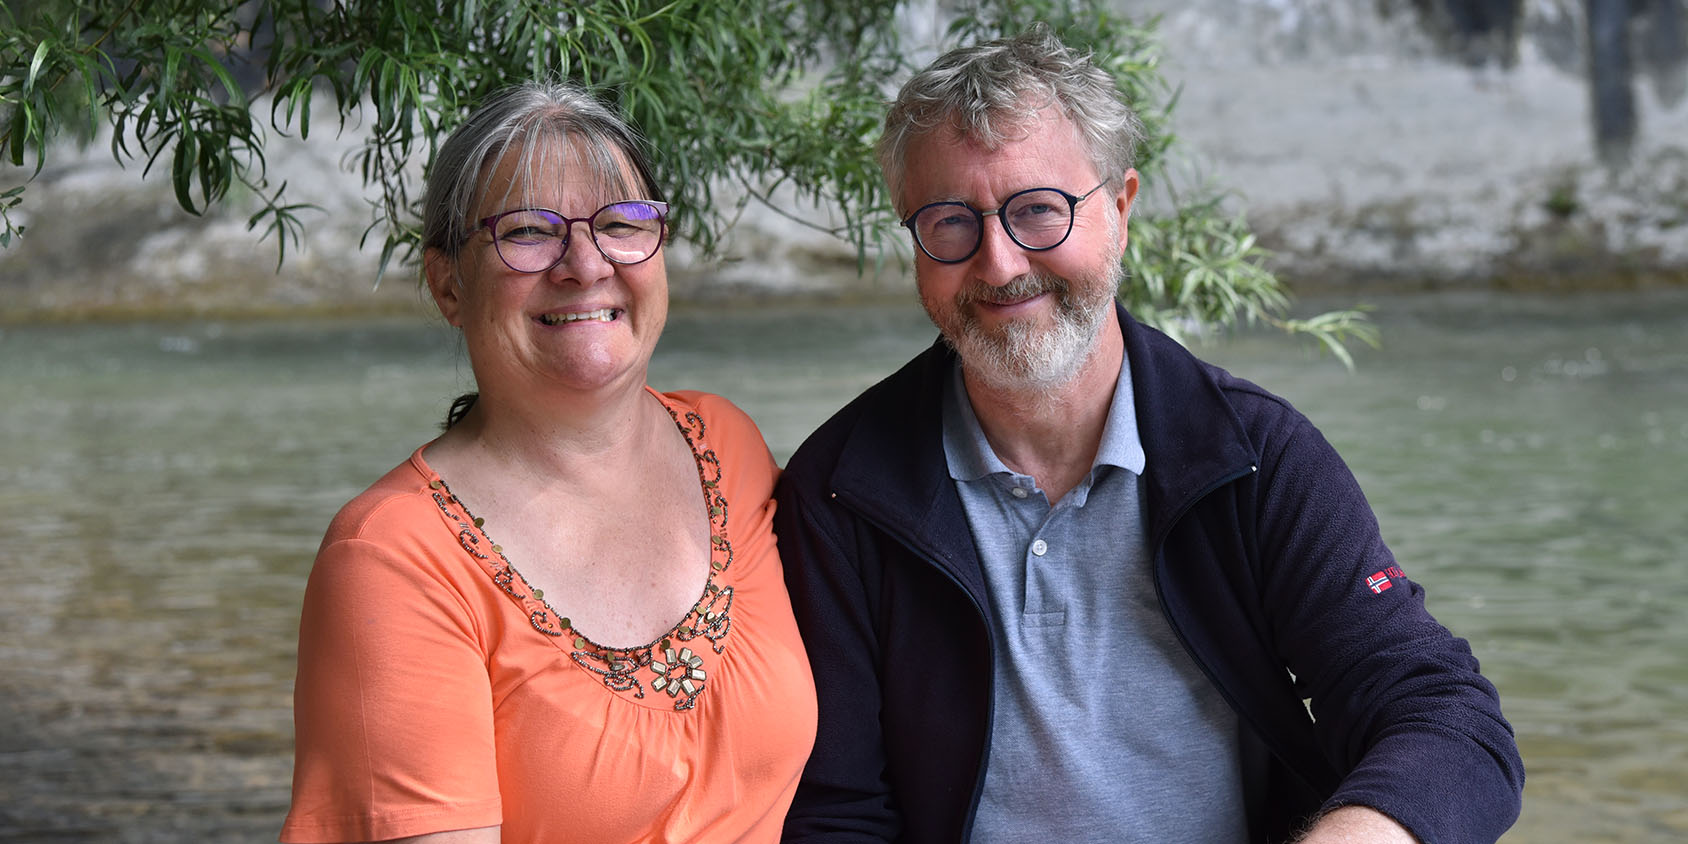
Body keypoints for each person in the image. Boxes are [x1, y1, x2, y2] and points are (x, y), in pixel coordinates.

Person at [775, 27, 1522, 844]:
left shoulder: (1253, 458)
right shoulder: (842, 491)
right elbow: (837, 812)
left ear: (1121, 209)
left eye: (1037, 211)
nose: (996, 262)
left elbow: (1443, 718)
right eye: (951, 222)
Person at [281, 80, 815, 844]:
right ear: (447, 285)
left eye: (623, 222)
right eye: (528, 231)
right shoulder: (391, 560)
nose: (585, 263)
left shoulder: (727, 447)